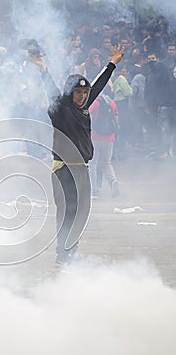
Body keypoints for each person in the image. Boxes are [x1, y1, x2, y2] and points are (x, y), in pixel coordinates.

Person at [29, 45, 124, 266]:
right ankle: (63, 255)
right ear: (69, 93)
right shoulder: (60, 109)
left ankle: (72, 252)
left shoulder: (83, 107)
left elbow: (98, 86)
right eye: (77, 92)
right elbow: (52, 89)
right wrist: (44, 70)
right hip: (63, 170)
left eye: (84, 93)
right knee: (66, 213)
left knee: (79, 213)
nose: (82, 96)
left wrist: (112, 64)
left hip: (82, 169)